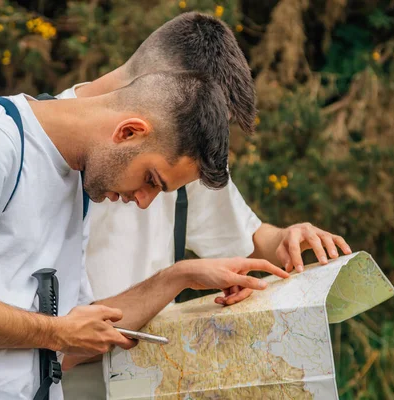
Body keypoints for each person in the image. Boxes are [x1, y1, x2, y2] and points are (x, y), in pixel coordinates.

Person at [0, 69, 290, 400]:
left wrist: (179, 277)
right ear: (128, 132)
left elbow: (73, 345)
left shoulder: (77, 184)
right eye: (150, 180)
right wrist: (56, 332)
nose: (143, 201)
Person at [57, 12, 352, 399]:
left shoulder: (184, 152)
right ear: (161, 92)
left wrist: (285, 239)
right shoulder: (30, 145)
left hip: (146, 381)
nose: (144, 200)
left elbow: (244, 241)